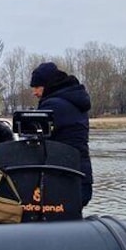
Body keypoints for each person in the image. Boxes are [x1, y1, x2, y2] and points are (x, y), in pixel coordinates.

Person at [30, 62, 93, 206]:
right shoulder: (74, 99)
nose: (34, 92)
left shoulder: (53, 105)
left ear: (47, 84)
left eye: (37, 87)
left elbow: (34, 138)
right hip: (80, 174)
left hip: (64, 177)